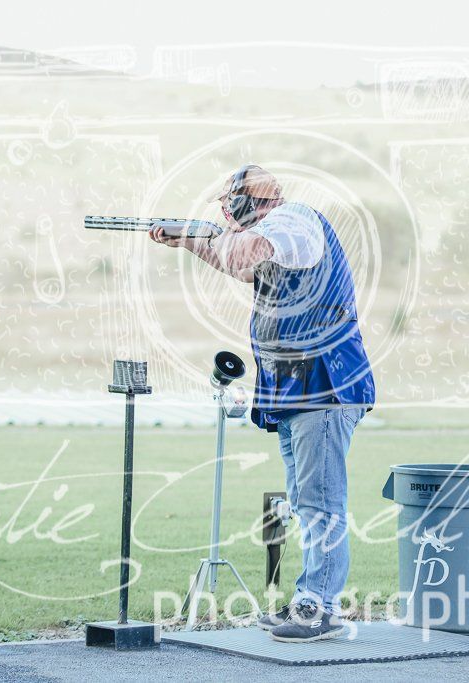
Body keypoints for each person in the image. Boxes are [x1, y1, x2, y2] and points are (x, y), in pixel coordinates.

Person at [149, 164, 375, 642]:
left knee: (321, 503)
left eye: (231, 204)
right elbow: (242, 266)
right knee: (306, 501)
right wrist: (189, 241)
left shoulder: (292, 220)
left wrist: (207, 233)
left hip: (323, 385)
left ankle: (320, 606)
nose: (226, 212)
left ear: (249, 203)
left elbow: (243, 250)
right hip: (299, 389)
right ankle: (311, 599)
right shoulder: (278, 234)